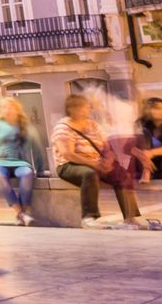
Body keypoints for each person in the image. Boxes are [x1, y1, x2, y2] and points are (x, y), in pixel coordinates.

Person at [51, 92, 144, 228]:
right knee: (89, 174)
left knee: (123, 175)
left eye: (88, 106)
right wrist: (94, 164)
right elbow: (68, 154)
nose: (89, 109)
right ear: (72, 108)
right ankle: (89, 217)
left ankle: (130, 218)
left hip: (96, 162)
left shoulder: (93, 125)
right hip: (69, 165)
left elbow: (106, 147)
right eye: (85, 106)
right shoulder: (63, 128)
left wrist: (108, 160)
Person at [0, 97, 45, 225]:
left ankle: (22, 213)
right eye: (4, 107)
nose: (8, 110)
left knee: (27, 174)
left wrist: (40, 169)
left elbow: (37, 148)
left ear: (18, 110)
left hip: (21, 162)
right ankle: (21, 213)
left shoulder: (27, 128)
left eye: (11, 107)